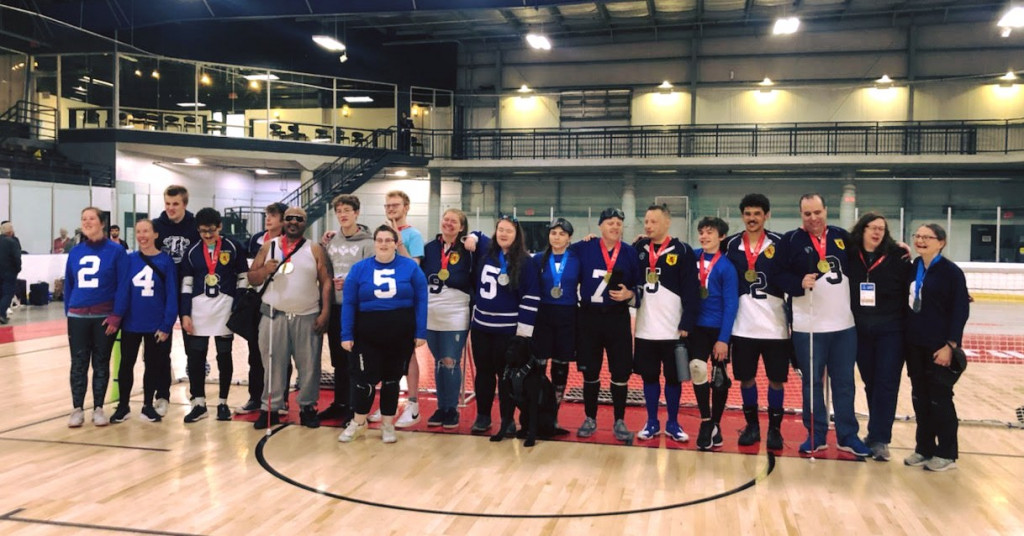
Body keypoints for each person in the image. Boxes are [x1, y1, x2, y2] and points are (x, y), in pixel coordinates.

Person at [777, 194, 871, 457]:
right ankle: (816, 434)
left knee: (844, 383)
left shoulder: (842, 236)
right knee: (812, 384)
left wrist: (896, 248)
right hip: (808, 328)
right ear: (801, 215)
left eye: (817, 212)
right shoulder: (790, 241)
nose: (813, 218)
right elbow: (778, 275)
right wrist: (797, 283)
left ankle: (847, 435)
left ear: (826, 211)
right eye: (807, 214)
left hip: (843, 327)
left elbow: (869, 256)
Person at [338, 225, 428, 443]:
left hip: (400, 333)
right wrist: (346, 334)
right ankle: (359, 422)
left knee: (391, 380)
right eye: (380, 240)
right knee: (363, 380)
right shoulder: (360, 269)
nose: (384, 244)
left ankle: (388, 424)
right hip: (367, 333)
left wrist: (420, 331)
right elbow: (349, 303)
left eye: (389, 240)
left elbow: (422, 300)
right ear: (374, 242)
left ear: (396, 243)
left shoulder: (410, 268)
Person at [247, 207, 333, 430]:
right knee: (273, 363)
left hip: (307, 315)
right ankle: (272, 408)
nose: (294, 222)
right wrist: (265, 270)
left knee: (309, 366)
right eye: (289, 219)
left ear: (305, 223)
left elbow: (326, 282)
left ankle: (307, 407)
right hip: (273, 316)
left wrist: (325, 312)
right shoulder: (269, 246)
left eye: (299, 219)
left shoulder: (315, 249)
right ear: (284, 222)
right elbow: (252, 278)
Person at [723, 193, 790, 450]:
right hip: (742, 327)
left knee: (777, 380)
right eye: (748, 214)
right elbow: (704, 253)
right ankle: (752, 426)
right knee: (746, 378)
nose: (752, 219)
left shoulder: (780, 243)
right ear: (743, 216)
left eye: (757, 214)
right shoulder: (730, 244)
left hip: (775, 327)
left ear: (766, 215)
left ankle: (775, 430)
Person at [903, 224, 970, 472]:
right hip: (915, 345)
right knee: (920, 398)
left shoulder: (951, 273)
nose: (920, 241)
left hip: (939, 347)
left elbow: (960, 310)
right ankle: (924, 448)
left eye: (926, 237)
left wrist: (950, 346)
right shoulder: (913, 267)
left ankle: (947, 453)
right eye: (917, 236)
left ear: (941, 242)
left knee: (940, 399)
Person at [466, 214, 540, 435]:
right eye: (500, 229)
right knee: (483, 373)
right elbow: (477, 235)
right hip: (481, 327)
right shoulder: (486, 251)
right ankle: (483, 415)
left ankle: (507, 419)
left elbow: (531, 296)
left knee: (505, 376)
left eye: (509, 230)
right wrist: (471, 236)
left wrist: (523, 333)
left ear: (517, 235)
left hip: (507, 331)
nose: (504, 234)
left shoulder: (526, 261)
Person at [847, 212, 913, 461]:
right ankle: (875, 433)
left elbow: (917, 284)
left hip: (891, 330)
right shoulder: (850, 254)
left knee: (887, 383)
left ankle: (880, 439)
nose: (877, 232)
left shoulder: (898, 256)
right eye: (872, 228)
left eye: (881, 229)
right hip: (860, 330)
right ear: (862, 229)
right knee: (871, 383)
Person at [572, 207, 641, 442]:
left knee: (621, 371)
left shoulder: (630, 253)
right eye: (610, 223)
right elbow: (556, 252)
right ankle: (590, 417)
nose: (615, 227)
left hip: (617, 318)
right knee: (590, 371)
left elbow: (642, 286)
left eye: (619, 223)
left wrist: (630, 294)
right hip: (589, 318)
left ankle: (619, 420)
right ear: (600, 226)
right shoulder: (584, 248)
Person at [633, 205, 700, 443]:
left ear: (667, 223)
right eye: (647, 221)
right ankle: (652, 422)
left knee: (673, 378)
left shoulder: (683, 250)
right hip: (645, 330)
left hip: (674, 330)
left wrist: (687, 323)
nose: (648, 225)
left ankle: (672, 423)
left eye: (654, 221)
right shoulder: (639, 248)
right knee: (649, 377)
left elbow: (692, 291)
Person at [179, 208, 249, 423]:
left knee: (224, 356)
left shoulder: (233, 247)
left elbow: (242, 278)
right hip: (199, 310)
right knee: (196, 356)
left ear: (220, 226)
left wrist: (237, 305)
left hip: (224, 309)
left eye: (211, 230)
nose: (207, 236)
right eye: (202, 232)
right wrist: (185, 313)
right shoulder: (191, 251)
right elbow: (186, 285)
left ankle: (222, 402)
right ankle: (198, 403)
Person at [64, 207, 130, 427]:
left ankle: (99, 408)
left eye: (92, 218)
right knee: (78, 364)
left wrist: (116, 316)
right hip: (78, 316)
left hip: (104, 317)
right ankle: (77, 409)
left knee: (101, 362)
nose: (87, 222)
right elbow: (69, 284)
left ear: (102, 223)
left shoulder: (116, 251)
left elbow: (123, 286)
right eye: (84, 219)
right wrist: (69, 313)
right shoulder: (75, 251)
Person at [110, 219, 178, 423]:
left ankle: (148, 405)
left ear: (155, 234)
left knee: (153, 365)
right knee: (126, 365)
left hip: (156, 325)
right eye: (138, 231)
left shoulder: (166, 261)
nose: (142, 235)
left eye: (146, 231)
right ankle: (123, 406)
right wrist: (117, 316)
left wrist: (167, 324)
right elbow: (122, 290)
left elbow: (171, 295)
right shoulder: (128, 260)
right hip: (131, 322)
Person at [319, 195, 374, 424]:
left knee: (355, 361)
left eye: (347, 210)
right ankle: (340, 403)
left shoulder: (368, 243)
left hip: (357, 309)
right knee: (338, 360)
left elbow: (372, 276)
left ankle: (355, 407)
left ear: (357, 213)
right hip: (336, 307)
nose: (343, 214)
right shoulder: (332, 241)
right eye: (339, 210)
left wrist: (351, 283)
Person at [422, 209, 476, 428]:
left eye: (454, 221)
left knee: (449, 360)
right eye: (446, 220)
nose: (449, 224)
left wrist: (475, 238)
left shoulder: (469, 248)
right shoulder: (430, 248)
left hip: (456, 311)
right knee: (438, 361)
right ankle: (440, 408)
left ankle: (452, 408)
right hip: (431, 310)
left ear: (462, 227)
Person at [689, 216, 739, 450]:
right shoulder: (692, 257)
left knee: (719, 378)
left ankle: (716, 423)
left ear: (721, 237)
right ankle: (706, 421)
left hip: (718, 329)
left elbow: (731, 305)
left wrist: (723, 339)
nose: (704, 236)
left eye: (710, 232)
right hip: (697, 327)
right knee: (697, 368)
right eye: (701, 232)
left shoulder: (726, 267)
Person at [235, 202, 289, 416]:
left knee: (281, 353)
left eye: (273, 216)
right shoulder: (256, 239)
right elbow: (250, 271)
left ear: (283, 220)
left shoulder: (290, 242)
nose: (268, 219)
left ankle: (281, 399)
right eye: (268, 215)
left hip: (281, 301)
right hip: (257, 301)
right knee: (255, 353)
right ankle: (255, 397)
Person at [151, 184, 200, 417]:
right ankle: (162, 395)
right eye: (167, 204)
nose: (170, 208)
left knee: (194, 345)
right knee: (161, 346)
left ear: (185, 204)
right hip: (163, 293)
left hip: (190, 293)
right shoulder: (156, 226)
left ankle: (197, 397)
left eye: (175, 204)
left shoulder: (195, 226)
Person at [532, 217, 582, 423]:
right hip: (543, 316)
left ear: (569, 238)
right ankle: (535, 412)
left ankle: (554, 413)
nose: (557, 237)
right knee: (539, 367)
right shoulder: (537, 259)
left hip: (568, 316)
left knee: (560, 368)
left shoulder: (577, 259)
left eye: (562, 234)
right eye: (554, 233)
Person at [384, 190, 425, 428]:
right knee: (384, 354)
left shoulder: (413, 235)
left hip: (406, 303)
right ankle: (387, 403)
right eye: (388, 205)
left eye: (395, 205)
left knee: (408, 354)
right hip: (385, 304)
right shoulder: (382, 233)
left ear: (406, 207)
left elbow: (414, 268)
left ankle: (413, 405)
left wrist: (399, 244)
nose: (391, 209)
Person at [0, 222, 22, 325]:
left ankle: (3, 314)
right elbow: (17, 258)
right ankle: (1, 313)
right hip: (9, 272)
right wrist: (18, 269)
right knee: (8, 294)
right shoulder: (12, 242)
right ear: (10, 231)